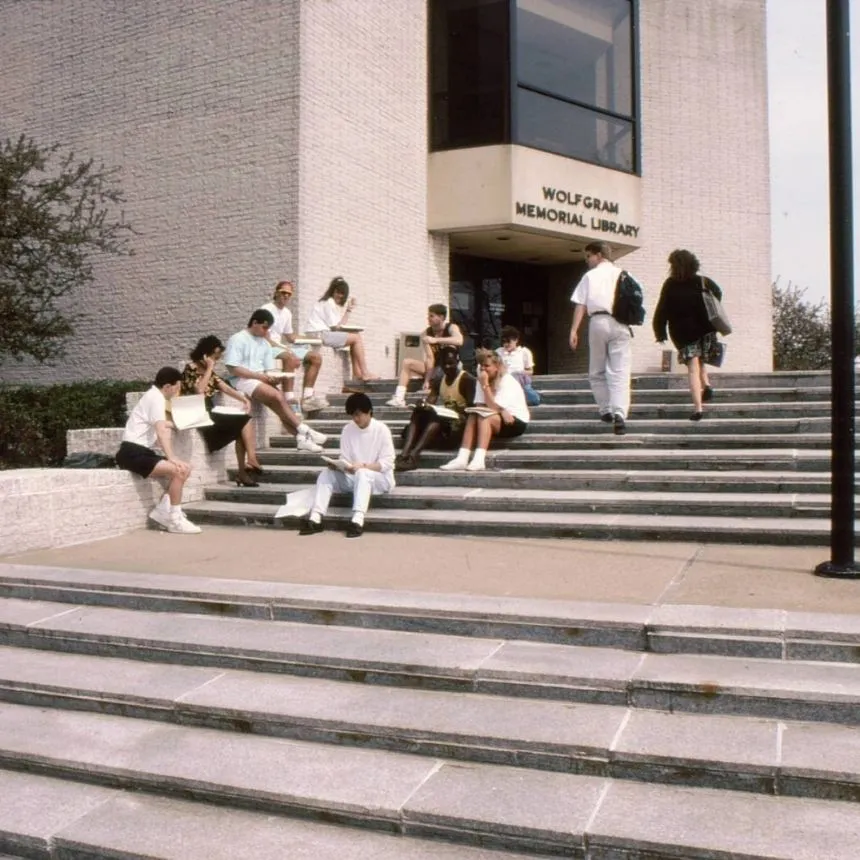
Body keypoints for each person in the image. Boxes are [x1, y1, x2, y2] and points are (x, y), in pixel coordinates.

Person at [223, 308, 328, 453]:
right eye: (264, 327)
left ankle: (301, 439)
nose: (266, 331)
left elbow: (268, 370)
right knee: (278, 396)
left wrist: (274, 379)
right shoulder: (238, 339)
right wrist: (260, 377)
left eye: (268, 328)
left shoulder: (264, 343)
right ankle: (306, 430)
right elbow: (233, 368)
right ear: (254, 323)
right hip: (241, 380)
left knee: (281, 406)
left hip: (259, 379)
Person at [114, 366, 201, 534]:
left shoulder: (153, 396)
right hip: (132, 453)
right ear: (167, 386)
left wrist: (176, 424)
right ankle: (175, 520)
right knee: (179, 470)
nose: (177, 391)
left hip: (139, 452)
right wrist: (172, 457)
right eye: (176, 387)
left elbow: (159, 423)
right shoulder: (156, 398)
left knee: (186, 468)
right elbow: (161, 432)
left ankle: (163, 512)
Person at [299, 392, 395, 538]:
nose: (356, 419)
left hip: (380, 480)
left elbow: (387, 463)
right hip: (354, 476)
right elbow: (345, 459)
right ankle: (316, 518)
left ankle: (357, 520)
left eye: (358, 414)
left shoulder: (381, 430)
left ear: (369, 411)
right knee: (327, 473)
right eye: (353, 415)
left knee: (363, 473)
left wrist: (363, 466)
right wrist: (339, 466)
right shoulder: (348, 429)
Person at [180, 335, 262, 487]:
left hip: (209, 410)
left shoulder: (209, 372)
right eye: (214, 357)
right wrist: (210, 368)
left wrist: (243, 399)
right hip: (198, 412)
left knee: (243, 424)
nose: (216, 361)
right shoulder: (190, 369)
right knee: (243, 422)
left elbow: (223, 386)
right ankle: (249, 463)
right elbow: (199, 391)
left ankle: (246, 467)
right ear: (205, 354)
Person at [568, 241, 632, 435]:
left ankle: (605, 410)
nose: (586, 260)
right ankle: (620, 413)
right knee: (620, 371)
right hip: (621, 323)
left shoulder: (590, 276)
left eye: (588, 256)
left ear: (598, 255)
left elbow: (581, 304)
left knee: (597, 370)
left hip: (598, 321)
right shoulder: (624, 274)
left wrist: (573, 330)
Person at [652, 249, 723, 421]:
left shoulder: (670, 284)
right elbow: (718, 294)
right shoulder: (703, 281)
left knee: (692, 367)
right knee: (700, 360)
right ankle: (706, 385)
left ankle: (698, 409)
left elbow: (662, 309)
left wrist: (659, 331)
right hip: (705, 330)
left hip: (683, 332)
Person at [440, 348, 529, 472]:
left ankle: (479, 459)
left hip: (515, 421)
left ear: (497, 366)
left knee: (483, 416)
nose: (483, 369)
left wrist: (485, 386)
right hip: (496, 416)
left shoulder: (507, 381)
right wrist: (484, 386)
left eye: (487, 366)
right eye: (481, 366)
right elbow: (480, 405)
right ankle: (462, 458)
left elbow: (495, 407)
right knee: (474, 415)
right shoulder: (482, 380)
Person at [395, 346, 476, 472]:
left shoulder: (467, 380)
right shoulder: (439, 380)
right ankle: (404, 454)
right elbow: (430, 401)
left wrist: (458, 414)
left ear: (458, 362)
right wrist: (422, 404)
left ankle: (414, 455)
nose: (448, 367)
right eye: (445, 364)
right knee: (420, 412)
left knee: (437, 417)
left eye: (451, 363)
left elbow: (472, 409)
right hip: (445, 421)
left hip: (460, 425)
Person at [261, 280, 328, 413]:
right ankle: (289, 400)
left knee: (315, 357)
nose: (286, 296)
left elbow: (290, 337)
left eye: (289, 294)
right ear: (276, 293)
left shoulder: (287, 313)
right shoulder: (266, 310)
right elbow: (264, 337)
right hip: (266, 347)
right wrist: (286, 350)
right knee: (290, 357)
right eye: (283, 292)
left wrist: (312, 339)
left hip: (279, 346)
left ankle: (307, 398)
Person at [386, 304, 463, 407]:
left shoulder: (451, 328)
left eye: (431, 316)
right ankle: (399, 398)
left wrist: (436, 340)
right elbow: (430, 358)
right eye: (428, 316)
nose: (428, 319)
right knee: (407, 363)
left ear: (441, 317)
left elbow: (459, 340)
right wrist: (427, 380)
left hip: (451, 366)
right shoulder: (426, 334)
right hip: (435, 369)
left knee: (449, 349)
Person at [304, 276, 378, 382]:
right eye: (338, 292)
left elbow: (338, 325)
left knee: (354, 338)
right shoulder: (328, 302)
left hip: (320, 333)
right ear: (332, 291)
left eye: (342, 294)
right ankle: (365, 372)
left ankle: (357, 374)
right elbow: (336, 328)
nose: (340, 296)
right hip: (318, 334)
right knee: (356, 338)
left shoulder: (328, 302)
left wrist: (348, 310)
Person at [496, 325, 540, 406]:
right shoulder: (499, 352)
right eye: (504, 342)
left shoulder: (524, 352)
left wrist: (519, 372)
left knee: (533, 399)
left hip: (520, 381)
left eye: (508, 342)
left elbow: (530, 371)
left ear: (516, 340)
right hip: (504, 381)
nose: (506, 344)